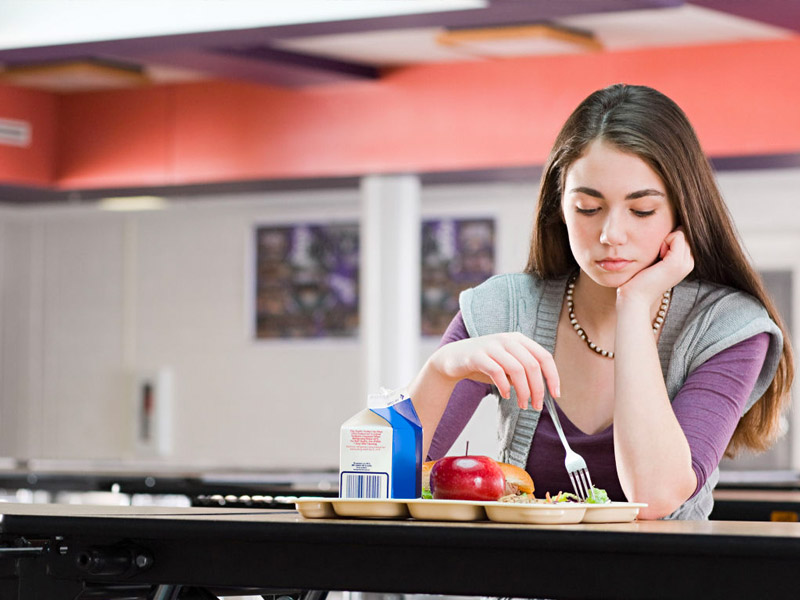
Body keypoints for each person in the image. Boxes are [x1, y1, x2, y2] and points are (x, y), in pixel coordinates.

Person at [408, 83, 794, 520]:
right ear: (559, 208)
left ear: (682, 212)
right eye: (588, 208)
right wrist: (441, 370)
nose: (611, 235)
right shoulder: (504, 307)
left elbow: (656, 494)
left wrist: (634, 302)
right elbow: (379, 476)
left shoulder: (727, 327)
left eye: (641, 211)